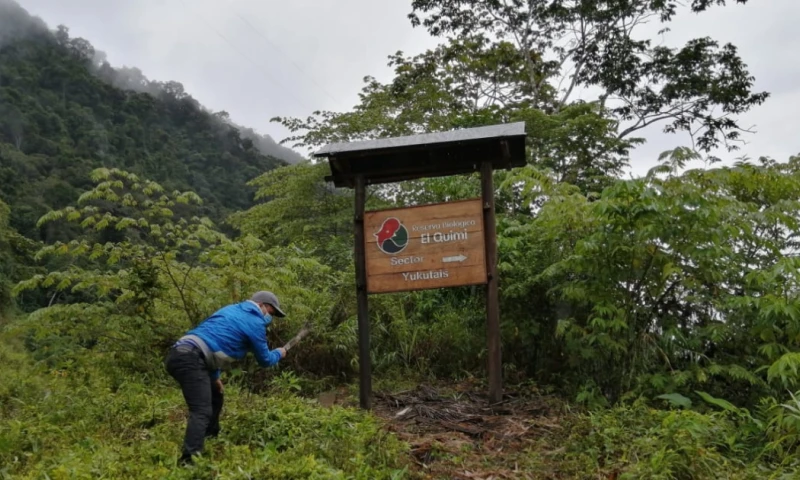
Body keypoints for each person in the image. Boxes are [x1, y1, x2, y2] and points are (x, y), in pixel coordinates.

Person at [165, 291, 287, 465]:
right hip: (191, 359)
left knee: (216, 394)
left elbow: (211, 341)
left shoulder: (230, 309)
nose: (270, 317)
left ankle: (211, 437)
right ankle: (188, 461)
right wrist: (279, 353)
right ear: (261, 305)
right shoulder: (255, 322)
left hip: (180, 353)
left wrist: (215, 377)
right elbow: (265, 360)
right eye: (271, 311)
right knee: (201, 410)